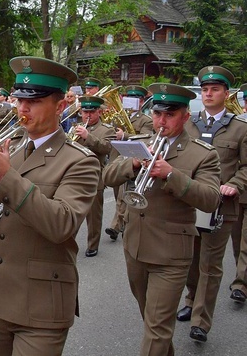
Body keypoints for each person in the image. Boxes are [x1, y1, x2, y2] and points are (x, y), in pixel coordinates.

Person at [0, 56, 100, 355]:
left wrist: (6, 175)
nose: (22, 108)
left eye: (34, 101)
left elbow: (61, 225)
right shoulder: (12, 148)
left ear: (59, 107)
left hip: (41, 304)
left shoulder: (81, 161)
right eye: (19, 100)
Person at [104, 83, 221, 356]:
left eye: (169, 115)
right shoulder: (137, 144)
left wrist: (171, 175)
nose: (161, 121)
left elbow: (210, 198)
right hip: (134, 246)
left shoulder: (203, 154)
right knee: (153, 320)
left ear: (185, 116)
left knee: (157, 327)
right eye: (157, 114)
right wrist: (131, 164)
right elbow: (106, 177)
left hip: (171, 254)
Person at [176, 66, 247, 343]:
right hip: (190, 202)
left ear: (225, 93)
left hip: (222, 205)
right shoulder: (188, 123)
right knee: (190, 259)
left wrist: (236, 184)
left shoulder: (240, 128)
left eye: (214, 89)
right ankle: (192, 299)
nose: (208, 94)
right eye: (204, 89)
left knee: (211, 264)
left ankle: (201, 321)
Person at [106, 85, 154, 240]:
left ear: (141, 102)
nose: (133, 101)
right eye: (130, 97)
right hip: (118, 158)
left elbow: (145, 139)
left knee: (122, 195)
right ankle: (124, 221)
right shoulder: (118, 116)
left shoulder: (146, 120)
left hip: (134, 160)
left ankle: (116, 225)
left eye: (137, 99)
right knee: (118, 195)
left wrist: (125, 135)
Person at [73, 96, 116, 257]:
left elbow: (107, 148)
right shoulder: (76, 127)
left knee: (94, 215)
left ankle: (93, 245)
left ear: (99, 111)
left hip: (94, 175)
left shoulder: (107, 129)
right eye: (85, 112)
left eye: (91, 111)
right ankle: (68, 243)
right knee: (72, 212)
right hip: (75, 176)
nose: (88, 115)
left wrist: (87, 136)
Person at [229, 83, 247, 304]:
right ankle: (241, 275)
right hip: (236, 191)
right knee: (236, 239)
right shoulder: (238, 124)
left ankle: (241, 283)